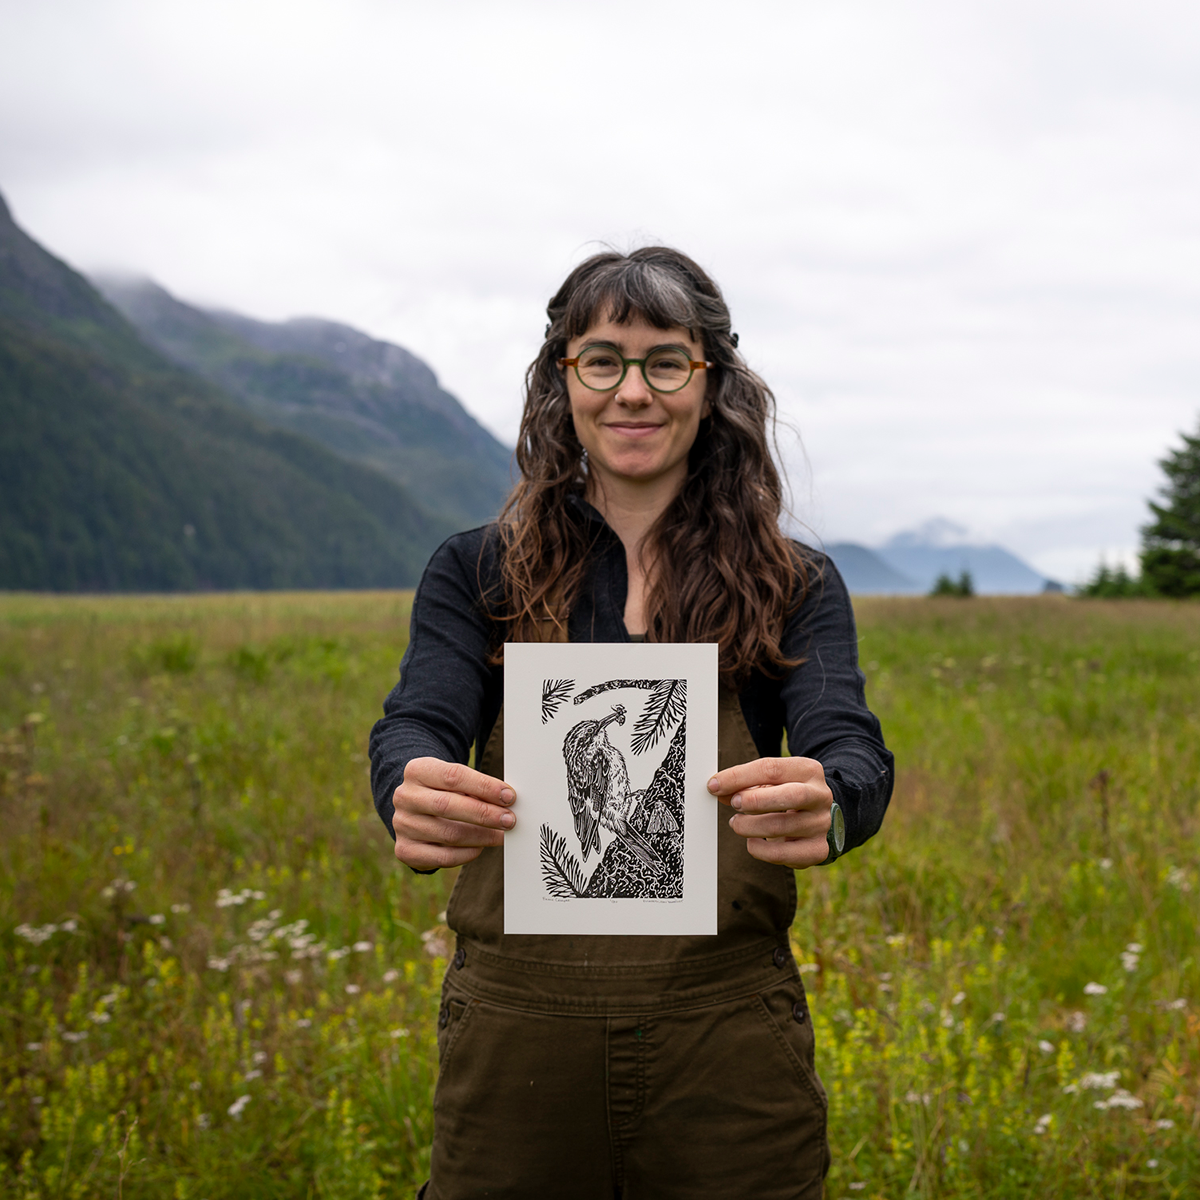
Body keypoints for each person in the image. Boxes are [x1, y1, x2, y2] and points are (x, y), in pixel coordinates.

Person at [369, 247, 893, 1200]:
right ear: (561, 378)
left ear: (711, 381)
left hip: (727, 1046)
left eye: (666, 361)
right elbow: (415, 726)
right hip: (514, 1047)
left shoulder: (793, 583)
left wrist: (835, 802)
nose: (633, 392)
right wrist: (408, 789)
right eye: (602, 360)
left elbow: (849, 747)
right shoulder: (477, 570)